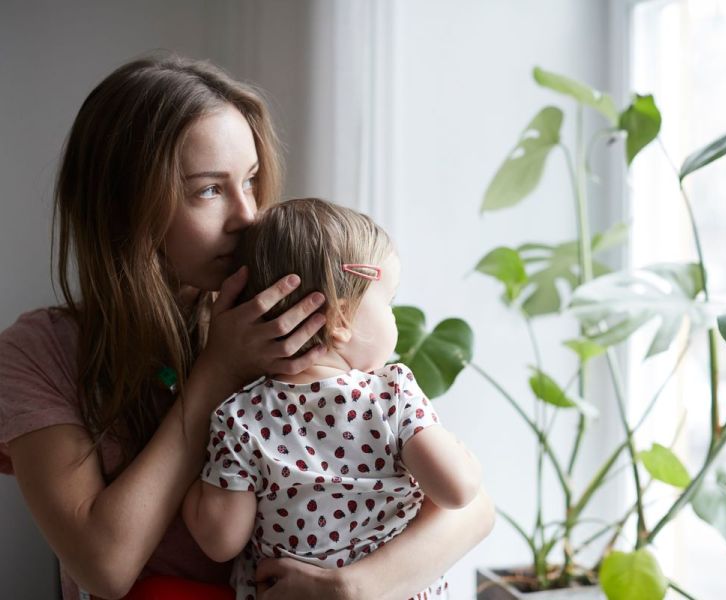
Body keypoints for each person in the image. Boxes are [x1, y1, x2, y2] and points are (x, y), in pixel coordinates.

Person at [0, 54, 494, 600]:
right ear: (124, 207)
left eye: (252, 181)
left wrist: (349, 588)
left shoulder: (294, 314)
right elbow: (106, 567)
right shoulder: (37, 355)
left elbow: (470, 505)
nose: (248, 215)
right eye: (209, 190)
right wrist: (218, 371)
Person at [181, 198, 483, 600]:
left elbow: (220, 539)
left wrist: (189, 497)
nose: (394, 318)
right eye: (388, 303)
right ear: (340, 321)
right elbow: (457, 491)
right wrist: (464, 458)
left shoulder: (241, 417)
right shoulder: (392, 395)